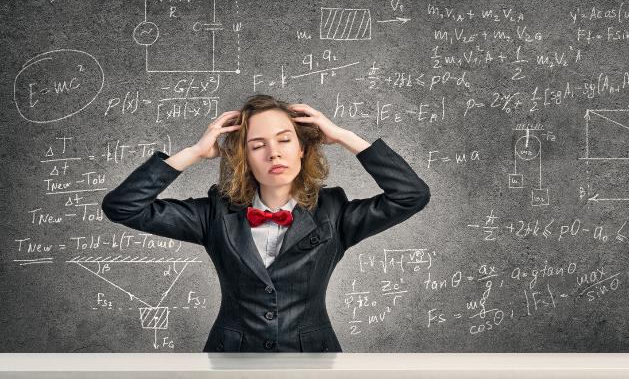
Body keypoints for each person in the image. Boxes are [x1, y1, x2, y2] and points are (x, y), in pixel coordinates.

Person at [101, 95, 431, 352]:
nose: (273, 153)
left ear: (302, 149)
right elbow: (123, 207)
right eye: (258, 146)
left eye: (285, 140)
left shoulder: (335, 213)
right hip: (231, 359)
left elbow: (411, 195)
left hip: (311, 359)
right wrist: (194, 152)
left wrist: (344, 137)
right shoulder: (216, 214)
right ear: (244, 158)